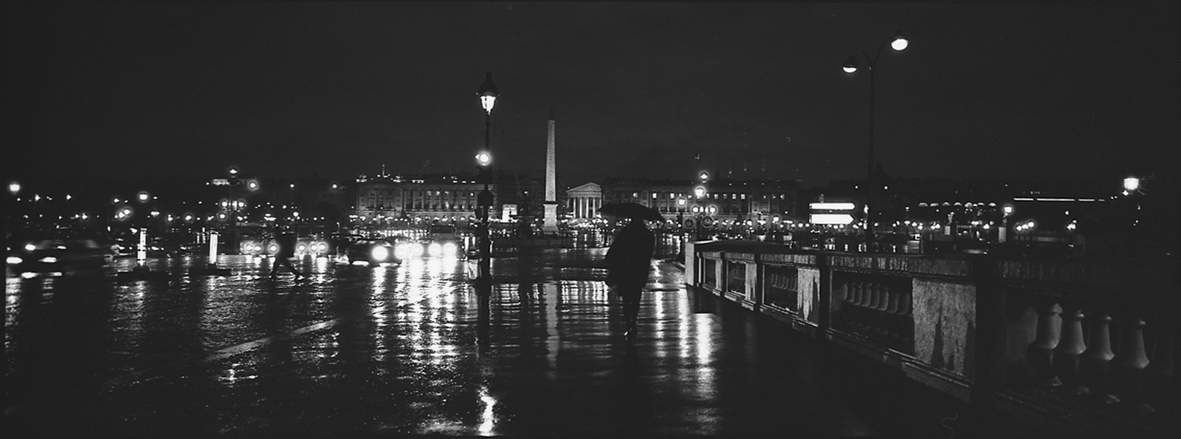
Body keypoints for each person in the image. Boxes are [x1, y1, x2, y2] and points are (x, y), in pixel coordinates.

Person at [605, 216, 655, 341]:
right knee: (636, 297)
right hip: (640, 269)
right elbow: (650, 251)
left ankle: (629, 323)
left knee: (626, 299)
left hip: (625, 269)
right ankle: (634, 321)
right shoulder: (647, 234)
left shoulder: (625, 232)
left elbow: (616, 249)